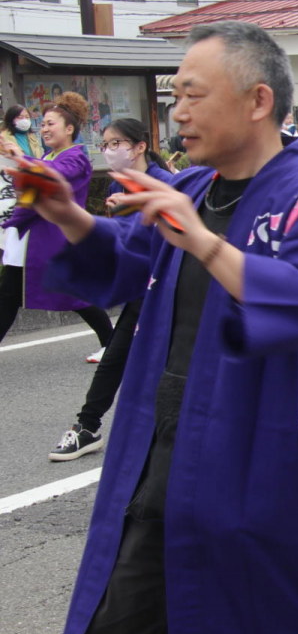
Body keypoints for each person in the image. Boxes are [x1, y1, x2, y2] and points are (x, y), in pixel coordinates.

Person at [31, 21, 298, 634]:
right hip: (162, 453)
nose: (177, 112)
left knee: (274, 631)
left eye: (193, 95)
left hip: (267, 468)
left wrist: (202, 239)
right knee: (115, 629)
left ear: (258, 101)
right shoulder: (189, 188)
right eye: (174, 96)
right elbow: (125, 261)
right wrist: (67, 214)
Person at [49, 119, 176, 462]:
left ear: (140, 146)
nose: (110, 150)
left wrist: (136, 210)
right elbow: (122, 240)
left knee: (167, 365)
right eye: (106, 144)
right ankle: (87, 426)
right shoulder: (116, 187)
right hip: (139, 288)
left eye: (117, 143)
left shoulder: (167, 183)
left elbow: (172, 236)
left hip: (168, 289)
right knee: (116, 357)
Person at [0, 93, 113, 360]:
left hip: (54, 240)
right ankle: (112, 343)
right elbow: (30, 193)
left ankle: (112, 343)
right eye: (44, 124)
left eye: (51, 124)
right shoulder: (49, 156)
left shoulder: (76, 158)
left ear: (69, 129)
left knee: (75, 296)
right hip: (32, 239)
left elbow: (51, 179)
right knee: (9, 295)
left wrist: (21, 159)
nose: (44, 129)